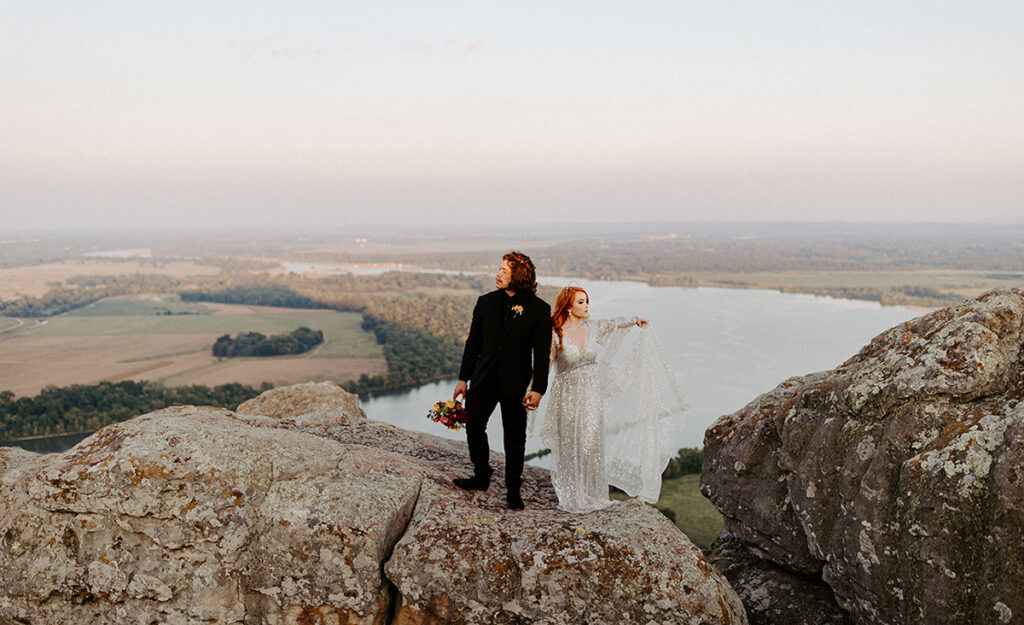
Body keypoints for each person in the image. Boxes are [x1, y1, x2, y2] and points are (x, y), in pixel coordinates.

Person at [540, 285, 687, 513]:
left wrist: (634, 320)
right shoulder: (553, 332)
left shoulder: (592, 327)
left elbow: (614, 322)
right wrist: (533, 390)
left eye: (587, 300)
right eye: (581, 301)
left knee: (591, 444)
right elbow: (543, 366)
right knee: (570, 443)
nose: (587, 305)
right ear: (568, 306)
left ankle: (593, 494)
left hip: (591, 396)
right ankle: (572, 494)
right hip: (566, 398)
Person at [452, 251, 552, 510]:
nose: (497, 274)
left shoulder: (540, 310)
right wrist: (463, 379)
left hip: (516, 384)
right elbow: (473, 344)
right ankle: (482, 475)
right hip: (482, 379)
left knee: (514, 438)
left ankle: (513, 490)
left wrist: (539, 388)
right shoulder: (485, 302)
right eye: (499, 270)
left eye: (503, 271)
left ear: (518, 276)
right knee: (474, 426)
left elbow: (542, 354)